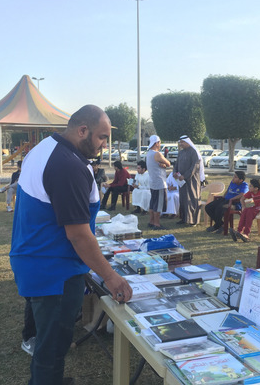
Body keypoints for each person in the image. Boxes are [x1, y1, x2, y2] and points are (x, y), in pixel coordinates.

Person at [9, 104, 133, 385]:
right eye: (102, 137)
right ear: (82, 130)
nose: (104, 145)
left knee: (50, 340)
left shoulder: (45, 147)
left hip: (37, 259)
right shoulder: (67, 165)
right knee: (52, 347)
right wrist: (110, 276)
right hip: (54, 270)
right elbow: (78, 235)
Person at [173, 135, 205, 226]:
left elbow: (194, 166)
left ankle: (193, 220)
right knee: (183, 199)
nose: (181, 144)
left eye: (182, 142)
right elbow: (176, 165)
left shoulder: (193, 152)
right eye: (180, 142)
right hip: (181, 180)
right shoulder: (181, 153)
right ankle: (184, 218)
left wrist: (185, 176)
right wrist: (175, 173)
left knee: (191, 199)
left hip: (192, 180)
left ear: (188, 142)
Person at [146, 135, 171, 230]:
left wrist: (162, 164)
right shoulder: (157, 154)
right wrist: (164, 163)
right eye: (159, 143)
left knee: (153, 203)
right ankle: (156, 224)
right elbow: (168, 163)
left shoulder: (149, 153)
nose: (160, 144)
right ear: (156, 143)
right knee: (159, 205)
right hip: (159, 182)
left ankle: (151, 221)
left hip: (152, 181)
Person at [229, 178, 260, 242]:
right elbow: (242, 199)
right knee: (245, 211)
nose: (249, 187)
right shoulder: (250, 192)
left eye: (250, 186)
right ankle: (239, 231)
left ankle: (246, 234)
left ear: (256, 188)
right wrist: (243, 206)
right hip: (256, 207)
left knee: (249, 212)